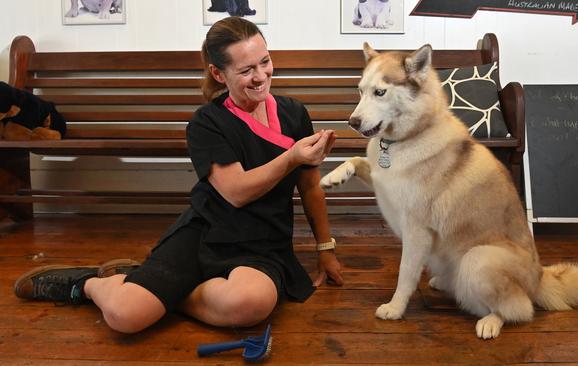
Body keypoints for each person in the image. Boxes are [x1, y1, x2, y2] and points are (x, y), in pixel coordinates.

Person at [14, 16, 344, 334]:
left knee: (249, 304)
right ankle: (87, 284)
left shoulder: (293, 112)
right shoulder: (206, 123)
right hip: (206, 232)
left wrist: (325, 249)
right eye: (246, 70)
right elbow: (236, 192)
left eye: (265, 61)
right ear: (218, 72)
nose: (261, 75)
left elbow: (310, 185)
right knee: (124, 316)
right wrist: (292, 156)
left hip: (263, 242)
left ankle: (156, 288)